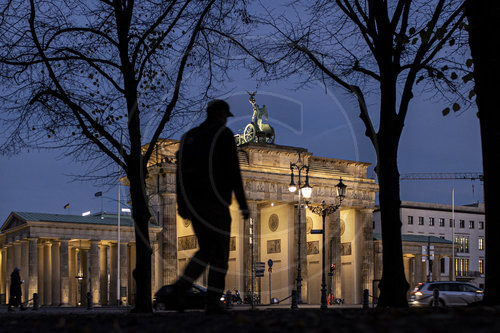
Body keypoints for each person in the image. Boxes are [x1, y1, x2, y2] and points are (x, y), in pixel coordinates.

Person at [175, 99, 249, 314]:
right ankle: (213, 301)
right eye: (226, 115)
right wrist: (243, 204)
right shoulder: (223, 135)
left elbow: (180, 175)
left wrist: (182, 204)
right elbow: (233, 172)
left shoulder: (189, 137)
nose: (226, 119)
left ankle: (181, 287)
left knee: (206, 250)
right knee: (220, 254)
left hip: (195, 203)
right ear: (220, 115)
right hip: (215, 203)